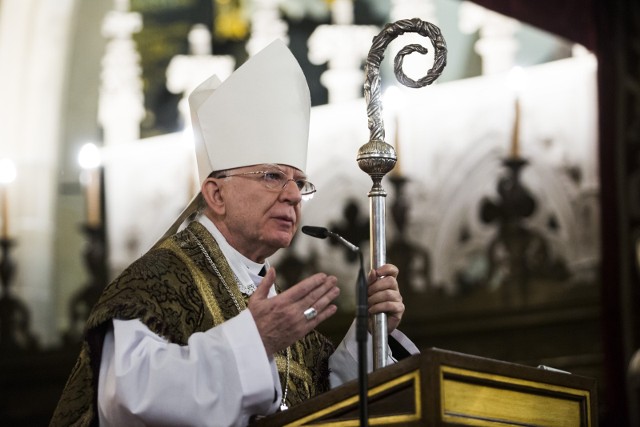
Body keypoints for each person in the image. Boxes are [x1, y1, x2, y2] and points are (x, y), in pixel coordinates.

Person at [50, 39, 418, 427]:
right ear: (216, 193)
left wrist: (367, 335)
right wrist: (251, 342)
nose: (293, 195)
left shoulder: (277, 302)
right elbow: (126, 397)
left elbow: (320, 404)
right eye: (273, 176)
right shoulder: (157, 283)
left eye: (300, 182)